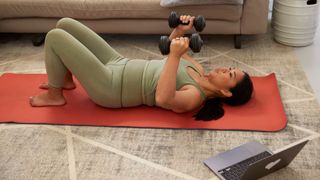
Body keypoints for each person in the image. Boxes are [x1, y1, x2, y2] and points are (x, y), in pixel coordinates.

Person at [30, 17, 253, 121]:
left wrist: (175, 55)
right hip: (118, 62)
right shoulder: (196, 67)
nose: (224, 69)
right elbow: (172, 45)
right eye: (229, 68)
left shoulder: (194, 96)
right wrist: (180, 29)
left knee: (55, 37)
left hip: (111, 86)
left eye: (229, 75)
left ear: (226, 92)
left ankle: (55, 94)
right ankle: (66, 79)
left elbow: (163, 98)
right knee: (65, 24)